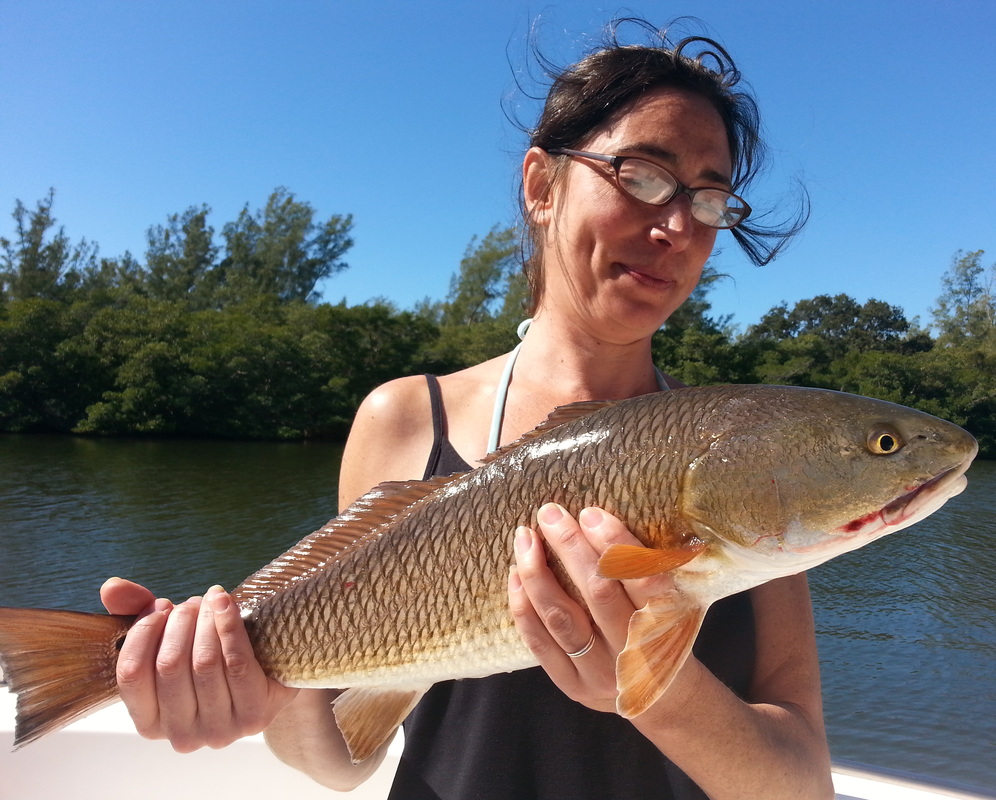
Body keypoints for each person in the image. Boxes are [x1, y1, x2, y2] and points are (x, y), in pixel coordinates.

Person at [101, 19, 834, 799]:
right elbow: (340, 761)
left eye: (711, 198)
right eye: (642, 174)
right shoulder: (404, 420)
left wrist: (656, 690)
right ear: (541, 185)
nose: (678, 226)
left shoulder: (751, 461)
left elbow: (803, 785)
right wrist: (268, 692)